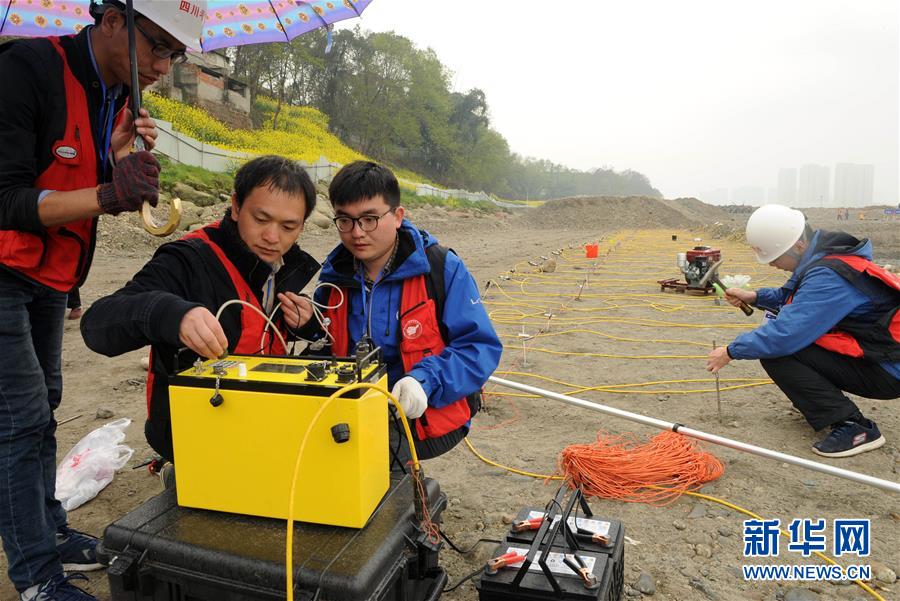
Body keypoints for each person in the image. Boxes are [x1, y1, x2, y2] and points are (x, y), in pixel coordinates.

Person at [0, 1, 205, 599]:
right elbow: (8, 200)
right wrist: (109, 193)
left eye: (176, 54)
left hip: (49, 274)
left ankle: (50, 530)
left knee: (46, 407)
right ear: (112, 19)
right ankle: (37, 576)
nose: (163, 65)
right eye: (158, 46)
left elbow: (79, 183)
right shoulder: (26, 70)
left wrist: (119, 159)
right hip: (4, 270)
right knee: (19, 422)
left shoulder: (116, 96)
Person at [81, 156, 320, 466]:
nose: (273, 237)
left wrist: (307, 326)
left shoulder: (283, 266)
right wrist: (171, 314)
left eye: (288, 227)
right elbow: (96, 325)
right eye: (261, 219)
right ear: (236, 206)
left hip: (260, 418)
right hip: (194, 430)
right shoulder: (188, 259)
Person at [302, 161, 502, 465]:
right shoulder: (334, 275)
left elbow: (480, 348)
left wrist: (423, 381)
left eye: (369, 219)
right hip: (352, 410)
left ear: (397, 216)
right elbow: (327, 340)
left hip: (420, 411)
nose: (357, 232)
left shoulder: (441, 268)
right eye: (345, 220)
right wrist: (307, 325)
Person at [707, 204, 900, 458]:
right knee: (789, 345)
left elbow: (785, 335)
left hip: (889, 369)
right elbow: (791, 296)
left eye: (775, 258)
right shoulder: (823, 258)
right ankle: (821, 403)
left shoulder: (829, 275)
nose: (773, 265)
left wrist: (731, 351)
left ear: (798, 245)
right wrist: (753, 297)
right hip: (882, 355)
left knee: (779, 353)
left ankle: (855, 427)